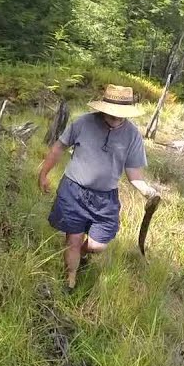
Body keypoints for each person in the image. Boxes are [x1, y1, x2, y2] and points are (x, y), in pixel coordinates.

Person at [38, 84, 159, 288]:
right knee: (73, 240)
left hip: (105, 199)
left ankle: (82, 255)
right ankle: (70, 278)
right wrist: (43, 174)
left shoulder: (132, 135)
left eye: (121, 116)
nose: (116, 119)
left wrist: (147, 191)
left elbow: (133, 173)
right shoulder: (83, 123)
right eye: (112, 115)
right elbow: (59, 147)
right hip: (73, 191)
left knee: (97, 245)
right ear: (103, 109)